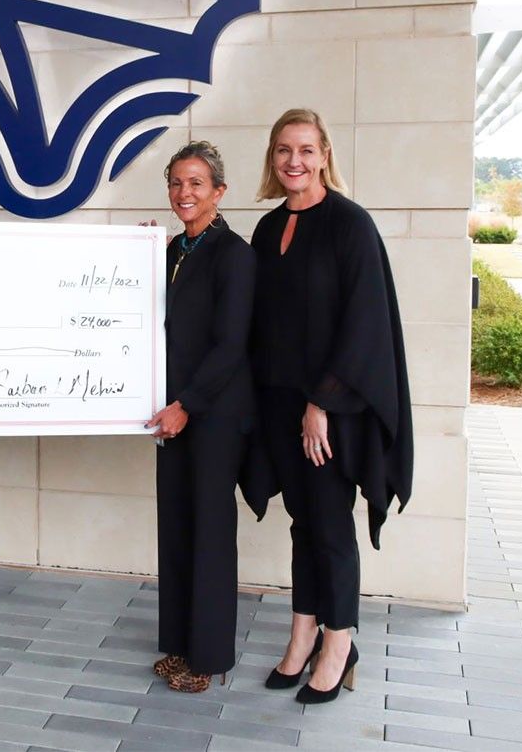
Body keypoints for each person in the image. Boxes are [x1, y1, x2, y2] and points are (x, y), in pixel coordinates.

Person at [250, 108, 412, 704]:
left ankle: (340, 642)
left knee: (331, 528)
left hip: (328, 409)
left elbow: (363, 325)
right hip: (277, 405)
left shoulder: (350, 225)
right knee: (303, 525)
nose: (294, 160)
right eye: (283, 150)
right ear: (273, 158)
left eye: (306, 149)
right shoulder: (269, 230)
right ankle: (302, 635)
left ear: (324, 156)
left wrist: (321, 403)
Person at [144, 141, 256, 693]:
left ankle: (208, 657)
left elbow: (231, 344)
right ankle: (182, 644)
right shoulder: (171, 251)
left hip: (211, 415)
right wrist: (136, 251)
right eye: (175, 183)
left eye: (195, 184)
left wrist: (189, 404)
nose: (183, 193)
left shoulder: (233, 253)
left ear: (219, 191)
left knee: (209, 532)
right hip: (174, 411)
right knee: (177, 526)